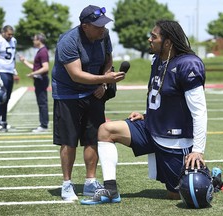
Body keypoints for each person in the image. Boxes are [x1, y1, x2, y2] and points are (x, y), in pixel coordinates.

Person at [81, 20, 207, 205]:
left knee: (177, 194)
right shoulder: (157, 60)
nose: (150, 39)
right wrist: (147, 116)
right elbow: (164, 99)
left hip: (175, 140)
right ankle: (110, 190)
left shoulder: (188, 64)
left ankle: (211, 178)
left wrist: (198, 150)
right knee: (106, 130)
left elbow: (199, 111)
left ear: (168, 42)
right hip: (151, 129)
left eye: (154, 36)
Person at [51, 5, 125, 201]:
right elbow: (76, 75)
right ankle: (66, 184)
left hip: (93, 91)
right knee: (69, 140)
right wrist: (105, 80)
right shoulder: (68, 41)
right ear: (85, 26)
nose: (102, 29)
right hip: (67, 94)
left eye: (103, 25)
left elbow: (108, 59)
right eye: (98, 25)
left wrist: (103, 81)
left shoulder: (104, 34)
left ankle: (90, 182)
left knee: (93, 137)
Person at [0, 25, 18, 132]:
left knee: (7, 98)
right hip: (0, 72)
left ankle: (4, 122)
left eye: (12, 34)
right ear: (3, 32)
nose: (10, 36)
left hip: (9, 72)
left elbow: (13, 57)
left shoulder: (13, 40)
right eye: (8, 34)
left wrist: (14, 70)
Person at [19, 33, 50, 133]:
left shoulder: (43, 52)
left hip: (41, 80)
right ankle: (43, 124)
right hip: (39, 80)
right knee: (41, 103)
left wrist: (33, 73)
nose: (33, 41)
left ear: (39, 40)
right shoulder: (40, 51)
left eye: (34, 39)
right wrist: (25, 62)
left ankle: (44, 125)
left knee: (42, 103)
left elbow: (46, 68)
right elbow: (36, 67)